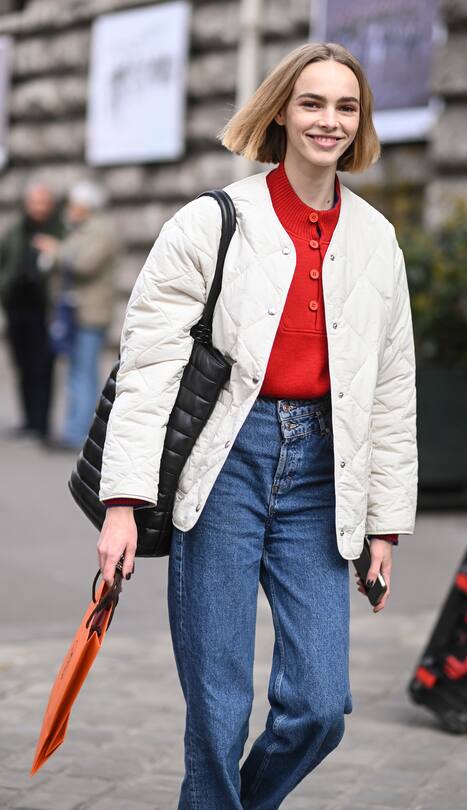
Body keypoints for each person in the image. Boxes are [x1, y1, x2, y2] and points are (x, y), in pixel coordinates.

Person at [96, 42, 418, 809]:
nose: (329, 121)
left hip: (322, 476)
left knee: (317, 707)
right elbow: (147, 368)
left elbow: (393, 389)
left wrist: (385, 525)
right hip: (224, 464)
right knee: (219, 707)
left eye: (346, 106)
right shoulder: (213, 221)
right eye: (313, 103)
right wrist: (122, 504)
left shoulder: (377, 240)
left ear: (361, 121)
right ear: (281, 111)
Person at [34, 179, 120, 451]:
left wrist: (55, 251)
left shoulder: (101, 230)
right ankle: (74, 428)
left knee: (84, 372)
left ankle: (80, 432)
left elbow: (84, 263)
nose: (70, 209)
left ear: (86, 205)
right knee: (75, 372)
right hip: (76, 312)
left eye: (74, 204)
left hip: (90, 314)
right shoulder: (82, 229)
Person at [0, 180, 64, 441]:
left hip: (44, 309)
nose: (38, 207)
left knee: (43, 366)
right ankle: (28, 419)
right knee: (22, 364)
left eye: (43, 202)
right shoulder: (16, 231)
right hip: (17, 307)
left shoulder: (58, 231)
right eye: (34, 202)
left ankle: (42, 422)